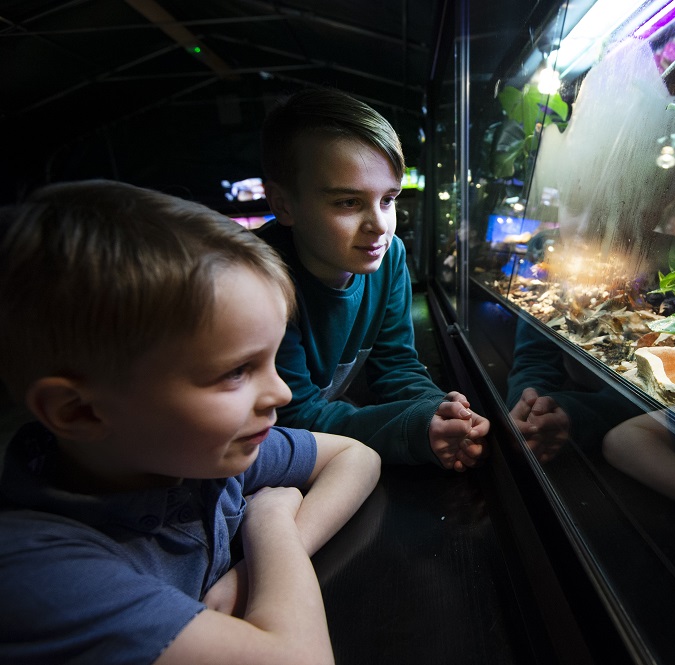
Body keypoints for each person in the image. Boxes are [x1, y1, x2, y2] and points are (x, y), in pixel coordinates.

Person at [0, 180, 381, 665]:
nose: (282, 393)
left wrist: (248, 574)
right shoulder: (34, 571)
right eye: (236, 371)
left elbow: (356, 456)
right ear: (79, 412)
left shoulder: (188, 456)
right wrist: (270, 524)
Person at [258, 87, 489, 471]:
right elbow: (293, 417)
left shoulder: (390, 255)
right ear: (283, 204)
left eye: (388, 199)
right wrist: (414, 429)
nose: (380, 226)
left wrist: (441, 412)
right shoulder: (259, 278)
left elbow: (395, 364)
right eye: (348, 202)